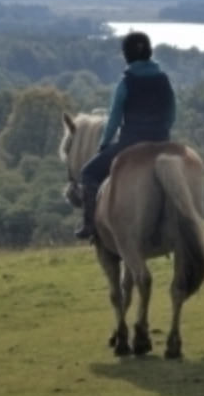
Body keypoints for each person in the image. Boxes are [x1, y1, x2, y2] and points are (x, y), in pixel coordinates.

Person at [75, 31, 176, 240]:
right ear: (149, 52)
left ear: (126, 55)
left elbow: (113, 119)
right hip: (162, 140)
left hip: (131, 142)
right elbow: (173, 112)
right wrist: (162, 132)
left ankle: (90, 225)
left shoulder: (126, 82)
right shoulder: (164, 80)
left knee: (88, 173)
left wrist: (104, 145)